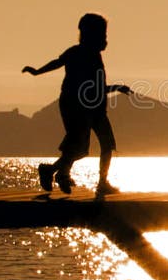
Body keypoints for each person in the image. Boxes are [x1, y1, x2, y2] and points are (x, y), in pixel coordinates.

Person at [22, 13, 132, 196]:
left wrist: (116, 88)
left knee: (104, 144)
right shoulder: (78, 53)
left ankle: (93, 180)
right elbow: (59, 64)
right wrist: (37, 72)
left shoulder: (93, 55)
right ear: (91, 35)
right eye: (103, 35)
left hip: (95, 108)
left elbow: (96, 88)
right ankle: (53, 171)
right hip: (78, 107)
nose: (106, 39)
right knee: (80, 148)